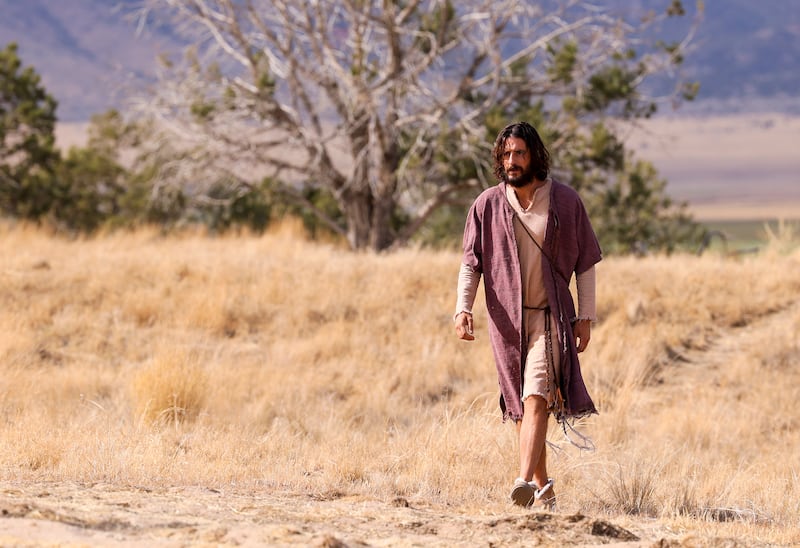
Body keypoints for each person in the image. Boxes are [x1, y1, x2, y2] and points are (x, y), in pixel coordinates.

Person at [453, 121, 602, 509]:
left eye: (519, 153)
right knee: (520, 407)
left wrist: (585, 316)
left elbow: (586, 262)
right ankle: (544, 487)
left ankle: (521, 482)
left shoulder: (565, 201)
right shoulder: (486, 204)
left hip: (550, 318)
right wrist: (462, 309)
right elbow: (472, 264)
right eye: (506, 154)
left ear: (534, 155)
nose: (512, 160)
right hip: (507, 324)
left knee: (536, 394)